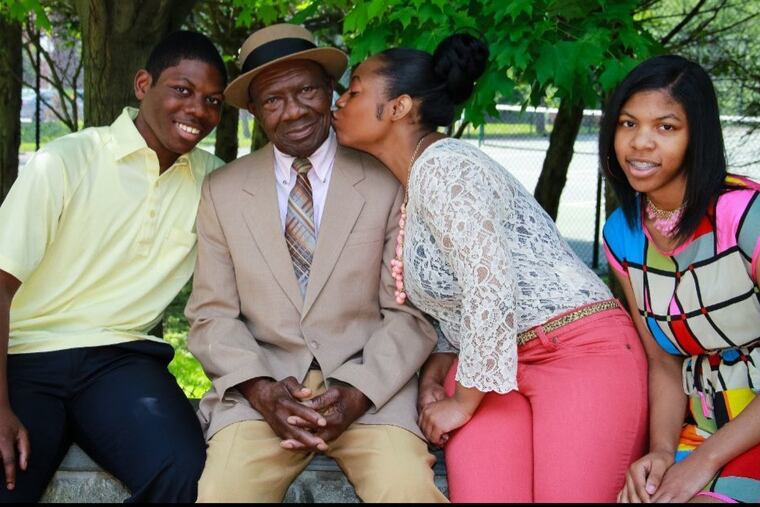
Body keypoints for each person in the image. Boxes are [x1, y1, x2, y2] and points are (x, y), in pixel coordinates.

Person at [331, 32, 650, 503]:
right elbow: (456, 303)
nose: (339, 101)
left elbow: (491, 289)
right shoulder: (414, 181)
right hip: (494, 367)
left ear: (398, 108)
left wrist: (461, 401)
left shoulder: (446, 168)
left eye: (354, 90)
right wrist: (437, 377)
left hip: (577, 352)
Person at [184, 23, 448, 503]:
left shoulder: (386, 178)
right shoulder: (222, 192)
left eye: (306, 90)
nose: (294, 111)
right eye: (273, 100)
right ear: (255, 113)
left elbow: (411, 313)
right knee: (223, 493)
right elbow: (210, 315)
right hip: (262, 394)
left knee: (406, 490)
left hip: (371, 392)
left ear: (331, 90)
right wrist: (262, 390)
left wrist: (355, 392)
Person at [0, 31, 227, 502]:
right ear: (143, 84)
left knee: (184, 472)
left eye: (212, 100)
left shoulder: (215, 180)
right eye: (181, 90)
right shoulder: (66, 160)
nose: (198, 111)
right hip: (25, 355)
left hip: (121, 361)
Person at [601, 55, 760, 503]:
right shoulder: (623, 233)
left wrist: (706, 463)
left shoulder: (746, 217)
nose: (641, 143)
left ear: (698, 137)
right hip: (701, 428)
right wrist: (661, 452)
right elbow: (664, 363)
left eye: (666, 127)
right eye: (628, 124)